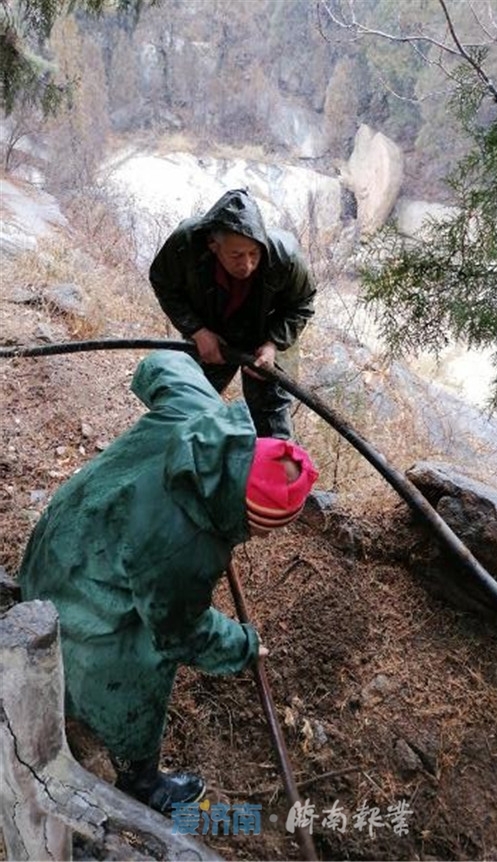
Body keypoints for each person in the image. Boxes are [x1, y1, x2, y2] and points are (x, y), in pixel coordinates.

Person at [18, 349, 319, 815]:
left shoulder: (204, 413)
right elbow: (180, 632)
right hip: (75, 597)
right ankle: (140, 778)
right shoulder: (185, 550)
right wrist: (242, 643)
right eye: (263, 528)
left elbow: (161, 365)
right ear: (251, 517)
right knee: (142, 659)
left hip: (60, 535)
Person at [149, 188, 316, 440]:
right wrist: (198, 331)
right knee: (186, 407)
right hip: (213, 334)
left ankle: (267, 474)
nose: (247, 264)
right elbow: (164, 282)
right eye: (236, 255)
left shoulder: (285, 256)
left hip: (266, 339)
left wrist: (273, 344)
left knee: (273, 428)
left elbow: (302, 303)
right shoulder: (187, 244)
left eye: (254, 254)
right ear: (213, 245)